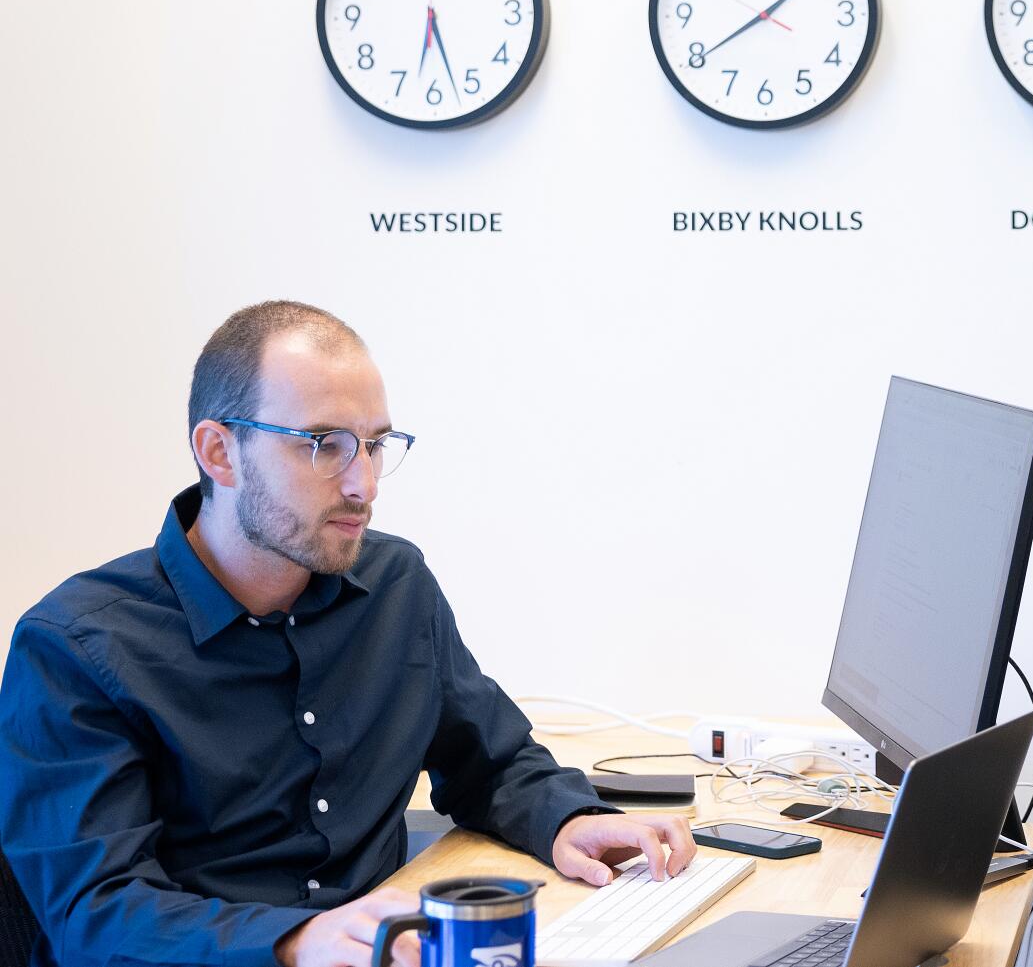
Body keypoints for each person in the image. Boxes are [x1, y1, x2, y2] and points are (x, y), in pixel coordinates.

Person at [0, 301, 692, 967]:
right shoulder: (74, 646)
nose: (364, 484)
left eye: (375, 444)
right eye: (323, 445)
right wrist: (297, 942)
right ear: (220, 452)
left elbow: (491, 761)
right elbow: (96, 913)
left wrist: (567, 819)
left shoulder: (395, 584)